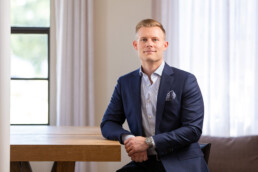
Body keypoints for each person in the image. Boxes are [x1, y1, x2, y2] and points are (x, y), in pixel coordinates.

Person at [101, 19, 209, 172]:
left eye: (155, 39)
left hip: (181, 164)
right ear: (135, 45)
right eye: (143, 39)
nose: (149, 44)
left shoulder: (186, 80)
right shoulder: (124, 83)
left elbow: (193, 130)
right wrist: (130, 140)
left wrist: (148, 142)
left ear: (164, 45)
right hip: (144, 162)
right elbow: (108, 123)